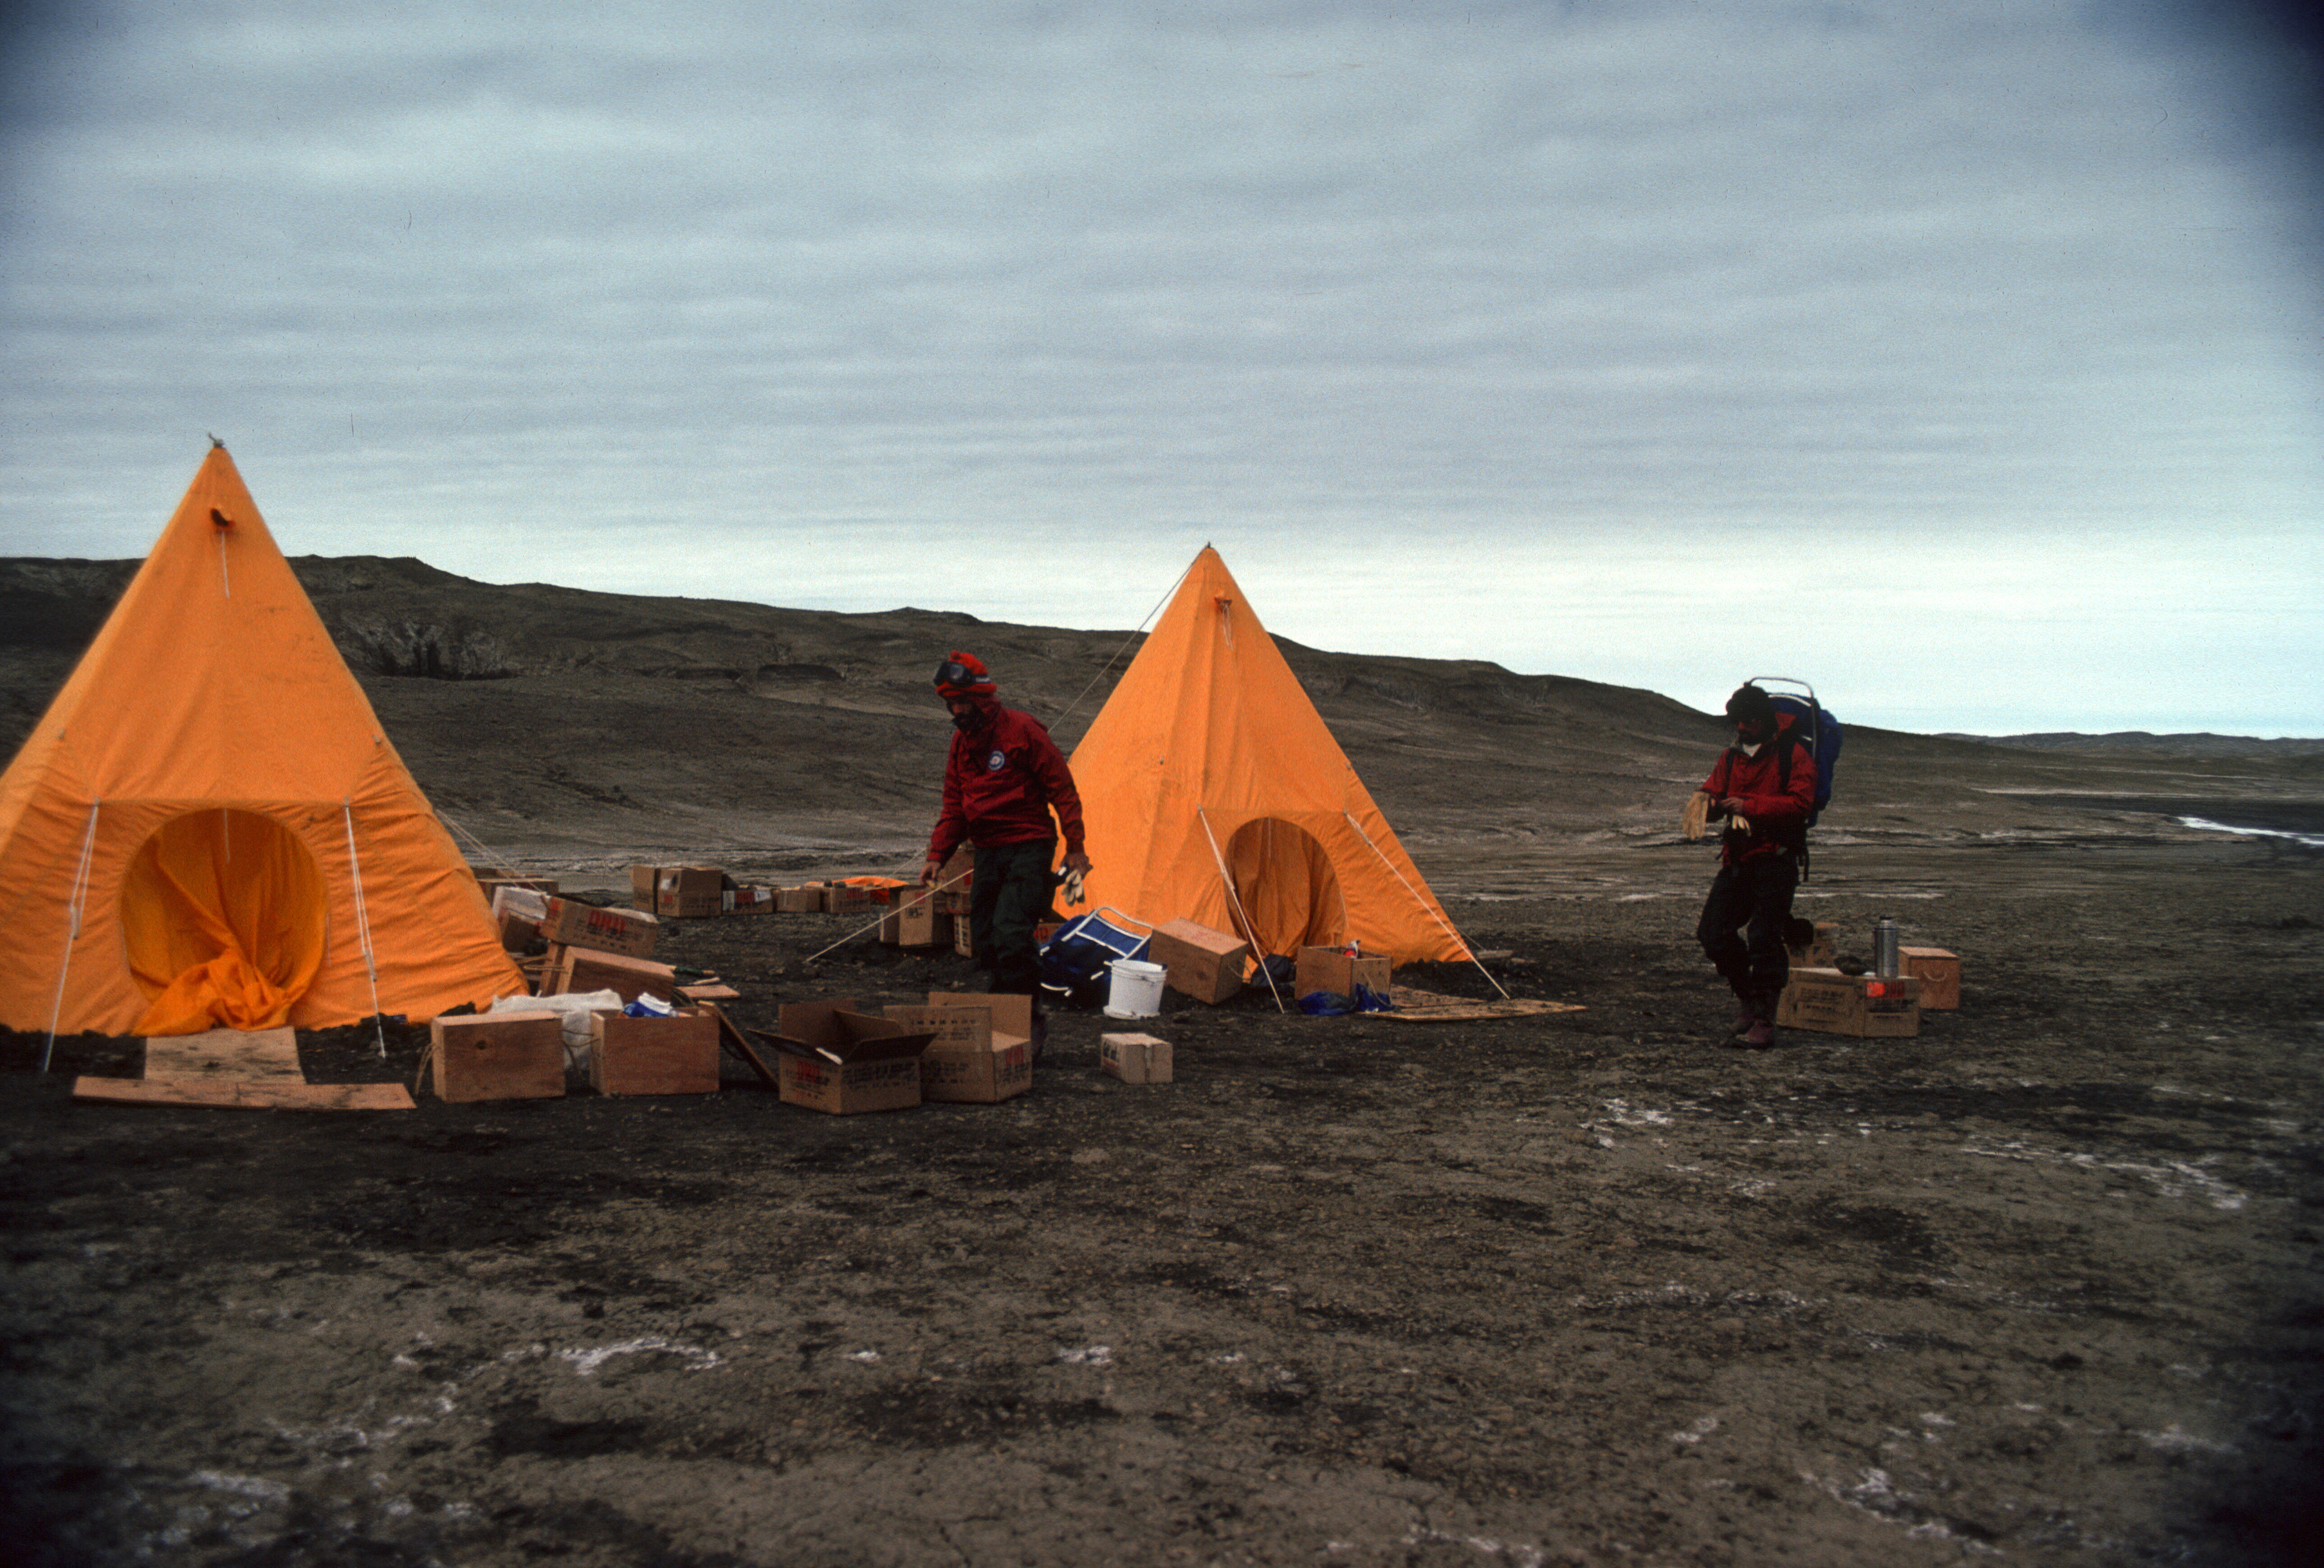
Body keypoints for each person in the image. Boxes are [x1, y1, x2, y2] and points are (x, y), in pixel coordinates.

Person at [921, 651, 1091, 1018]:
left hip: (1028, 847)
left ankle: (1027, 1022)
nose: (958, 713)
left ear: (982, 698)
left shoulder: (1023, 731)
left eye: (963, 703)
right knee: (985, 938)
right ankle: (1004, 1016)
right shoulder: (961, 746)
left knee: (1012, 934)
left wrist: (1075, 846)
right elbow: (954, 806)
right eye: (952, 705)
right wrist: (938, 855)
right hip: (988, 851)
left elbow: (1063, 788)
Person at [1687, 683, 1816, 1048]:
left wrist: (1748, 806)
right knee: (1713, 933)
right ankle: (1748, 1000)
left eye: (1750, 722)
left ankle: (1764, 1019)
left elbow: (1800, 805)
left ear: (1767, 721)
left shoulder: (1794, 755)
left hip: (1776, 859)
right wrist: (1705, 805)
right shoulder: (1730, 758)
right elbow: (1714, 791)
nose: (1742, 728)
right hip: (1739, 860)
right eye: (1738, 722)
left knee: (1763, 935)